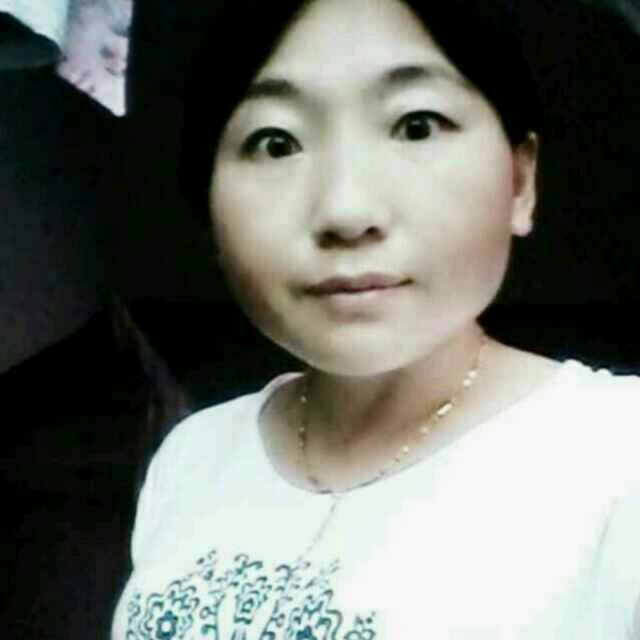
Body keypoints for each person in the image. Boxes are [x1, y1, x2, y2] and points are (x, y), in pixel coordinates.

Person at [111, 0, 640, 637]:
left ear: (521, 181)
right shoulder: (194, 454)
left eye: (417, 126)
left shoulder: (617, 454)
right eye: (276, 143)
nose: (346, 210)